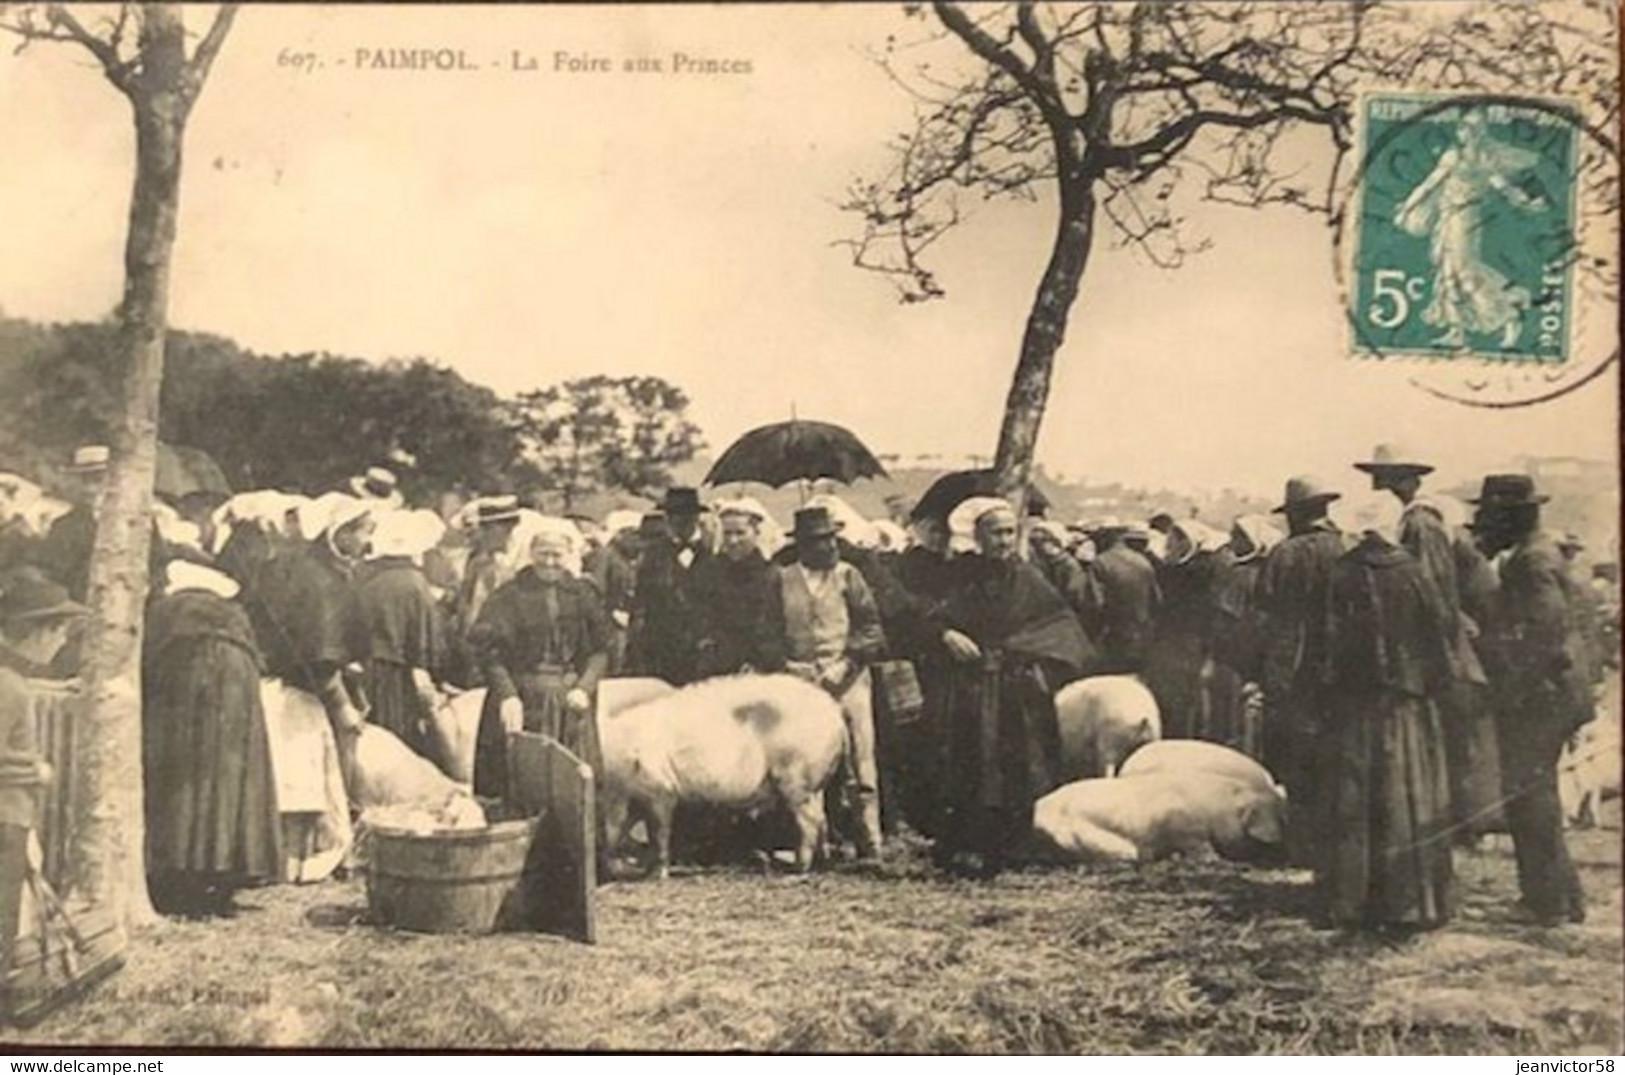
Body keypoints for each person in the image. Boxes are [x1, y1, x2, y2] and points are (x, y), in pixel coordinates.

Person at [932, 498, 1092, 879]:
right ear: (979, 537)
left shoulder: (1029, 578)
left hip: (1017, 688)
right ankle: (969, 843)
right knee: (971, 761)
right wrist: (946, 634)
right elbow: (932, 615)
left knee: (1019, 762)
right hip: (971, 686)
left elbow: (1058, 622)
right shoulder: (961, 576)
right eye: (996, 533)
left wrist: (1032, 655)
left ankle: (1015, 845)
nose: (1004, 540)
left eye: (1009, 532)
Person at [1319, 496, 1457, 934]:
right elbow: (1440, 635)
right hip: (1407, 705)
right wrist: (1434, 686)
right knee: (1406, 797)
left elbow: (1329, 642)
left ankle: (1353, 902)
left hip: (1356, 705)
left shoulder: (1342, 573)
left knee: (1356, 800)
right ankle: (1410, 904)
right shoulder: (1414, 573)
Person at [1355, 444, 1498, 847]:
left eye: (1384, 479)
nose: (1377, 486)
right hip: (1430, 641)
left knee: (1447, 734)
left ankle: (1461, 824)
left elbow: (1435, 590)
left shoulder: (1420, 523)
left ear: (1406, 480)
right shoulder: (1407, 521)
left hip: (1437, 645)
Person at [1471, 474, 1589, 925]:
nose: (1483, 522)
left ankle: (1547, 902)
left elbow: (1547, 634)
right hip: (1550, 693)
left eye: (1490, 514)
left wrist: (1512, 688)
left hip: (1540, 696)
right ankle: (1562, 896)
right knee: (1537, 793)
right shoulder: (1537, 552)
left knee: (1529, 795)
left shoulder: (1532, 561)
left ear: (1510, 516)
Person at [142, 555, 282, 915]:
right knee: (230, 780)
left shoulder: (166, 612)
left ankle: (179, 871)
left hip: (184, 693)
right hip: (237, 693)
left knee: (183, 780)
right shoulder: (233, 615)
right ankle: (223, 872)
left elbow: (147, 663)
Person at [778, 505, 888, 860]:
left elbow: (871, 628)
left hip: (849, 680)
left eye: (831, 539)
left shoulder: (848, 576)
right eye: (817, 542)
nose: (828, 548)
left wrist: (848, 661)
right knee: (809, 762)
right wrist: (790, 665)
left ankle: (869, 839)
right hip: (804, 684)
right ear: (802, 546)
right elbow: (766, 633)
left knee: (860, 757)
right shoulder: (781, 579)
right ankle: (816, 841)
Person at [469, 520, 610, 799]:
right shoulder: (508, 596)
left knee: (573, 785)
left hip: (569, 706)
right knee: (521, 784)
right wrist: (507, 695)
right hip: (523, 700)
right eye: (543, 553)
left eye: (557, 554)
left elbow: (600, 650)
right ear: (531, 553)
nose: (549, 561)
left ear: (569, 554)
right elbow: (489, 653)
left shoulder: (583, 595)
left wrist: (584, 688)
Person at [1256, 476, 1347, 866]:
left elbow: (1263, 612)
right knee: (1335, 756)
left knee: (1295, 759)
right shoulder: (1344, 549)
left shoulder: (1283, 555)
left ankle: (1302, 844)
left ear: (1294, 515)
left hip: (1290, 670)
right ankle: (1333, 844)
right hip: (1337, 669)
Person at [0, 569, 83, 992]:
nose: (63, 641)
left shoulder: (13, 679)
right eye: (59, 631)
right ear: (35, 632)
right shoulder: (9, 686)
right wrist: (35, 770)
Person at [351, 510, 449, 763]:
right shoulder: (413, 583)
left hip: (363, 666)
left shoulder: (365, 574)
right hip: (393, 672)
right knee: (393, 736)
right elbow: (424, 642)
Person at [1144, 518, 1235, 741]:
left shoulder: (1199, 571)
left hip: (1187, 643)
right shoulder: (1182, 569)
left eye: (1179, 541)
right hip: (1176, 644)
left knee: (1183, 702)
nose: (1174, 546)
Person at [1210, 514, 1281, 758]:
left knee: (1230, 715)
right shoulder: (1271, 571)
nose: (1231, 541)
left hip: (1234, 656)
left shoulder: (1239, 574)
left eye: (1237, 536)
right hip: (1262, 656)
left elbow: (1225, 617)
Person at [626, 488, 713, 686]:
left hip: (703, 655)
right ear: (667, 519)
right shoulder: (652, 556)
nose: (680, 521)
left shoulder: (713, 554)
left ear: (696, 517)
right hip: (661, 652)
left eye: (687, 515)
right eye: (674, 516)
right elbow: (641, 605)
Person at [692, 499, 786, 679]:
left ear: (756, 532)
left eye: (740, 533)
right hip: (716, 669)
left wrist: (760, 663)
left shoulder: (771, 575)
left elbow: (774, 627)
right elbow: (701, 617)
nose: (733, 541)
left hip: (759, 669)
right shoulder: (709, 572)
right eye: (727, 534)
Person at [1081, 518, 1160, 674]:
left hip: (1114, 637)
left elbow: (1095, 605)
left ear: (1104, 538)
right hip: (1142, 636)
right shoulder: (1142, 561)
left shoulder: (1101, 563)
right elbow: (1156, 600)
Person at [1029, 520, 1093, 623]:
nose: (1037, 547)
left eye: (1041, 541)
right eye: (1034, 543)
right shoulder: (1041, 564)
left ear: (1055, 542)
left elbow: (1074, 598)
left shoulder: (1069, 566)